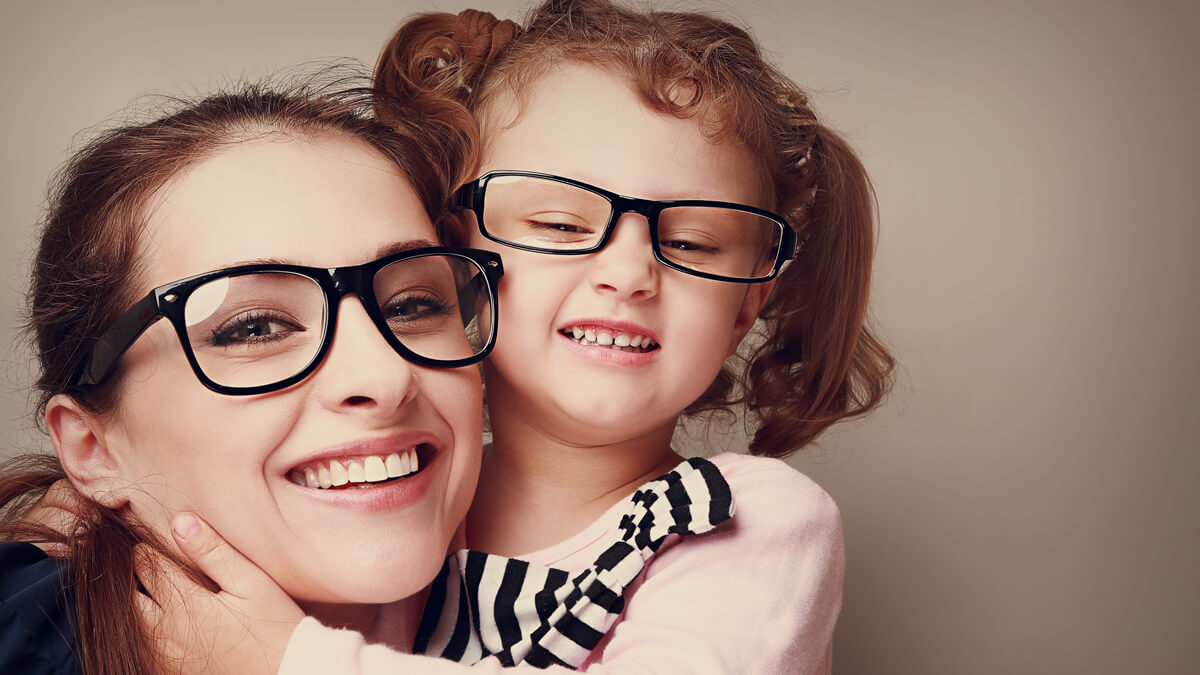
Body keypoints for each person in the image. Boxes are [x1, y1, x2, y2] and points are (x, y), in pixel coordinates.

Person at [154, 0, 896, 672]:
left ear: (744, 304)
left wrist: (291, 659)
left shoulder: (749, 519)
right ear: (455, 266)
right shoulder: (399, 499)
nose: (631, 273)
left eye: (695, 242)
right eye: (562, 223)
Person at [0, 76, 505, 674]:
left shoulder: (610, 585)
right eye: (255, 328)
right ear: (93, 450)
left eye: (413, 304)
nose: (386, 376)